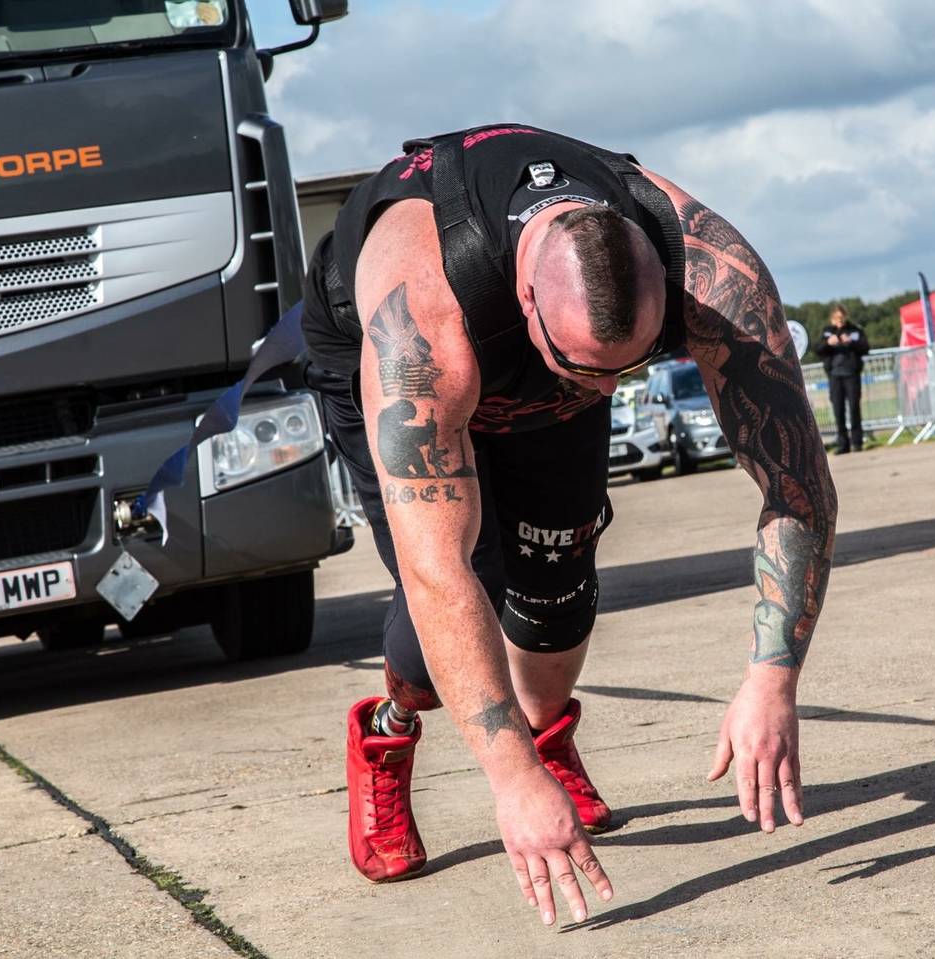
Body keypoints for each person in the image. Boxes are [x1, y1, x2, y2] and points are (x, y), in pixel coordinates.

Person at [300, 124, 837, 925]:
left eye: (633, 368)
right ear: (527, 304)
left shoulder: (710, 269)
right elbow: (435, 571)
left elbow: (799, 486)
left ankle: (549, 732)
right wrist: (511, 781)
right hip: (381, 363)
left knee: (559, 586)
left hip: (541, 359)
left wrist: (772, 677)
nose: (610, 388)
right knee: (463, 582)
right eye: (595, 373)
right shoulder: (420, 323)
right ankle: (390, 728)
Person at [813, 304, 869, 453]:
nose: (840, 321)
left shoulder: (855, 330)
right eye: (837, 318)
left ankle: (857, 442)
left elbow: (865, 348)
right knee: (838, 410)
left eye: (842, 317)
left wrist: (851, 342)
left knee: (854, 408)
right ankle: (843, 444)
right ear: (832, 318)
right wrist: (828, 343)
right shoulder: (827, 332)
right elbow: (818, 349)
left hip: (851, 374)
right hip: (834, 376)